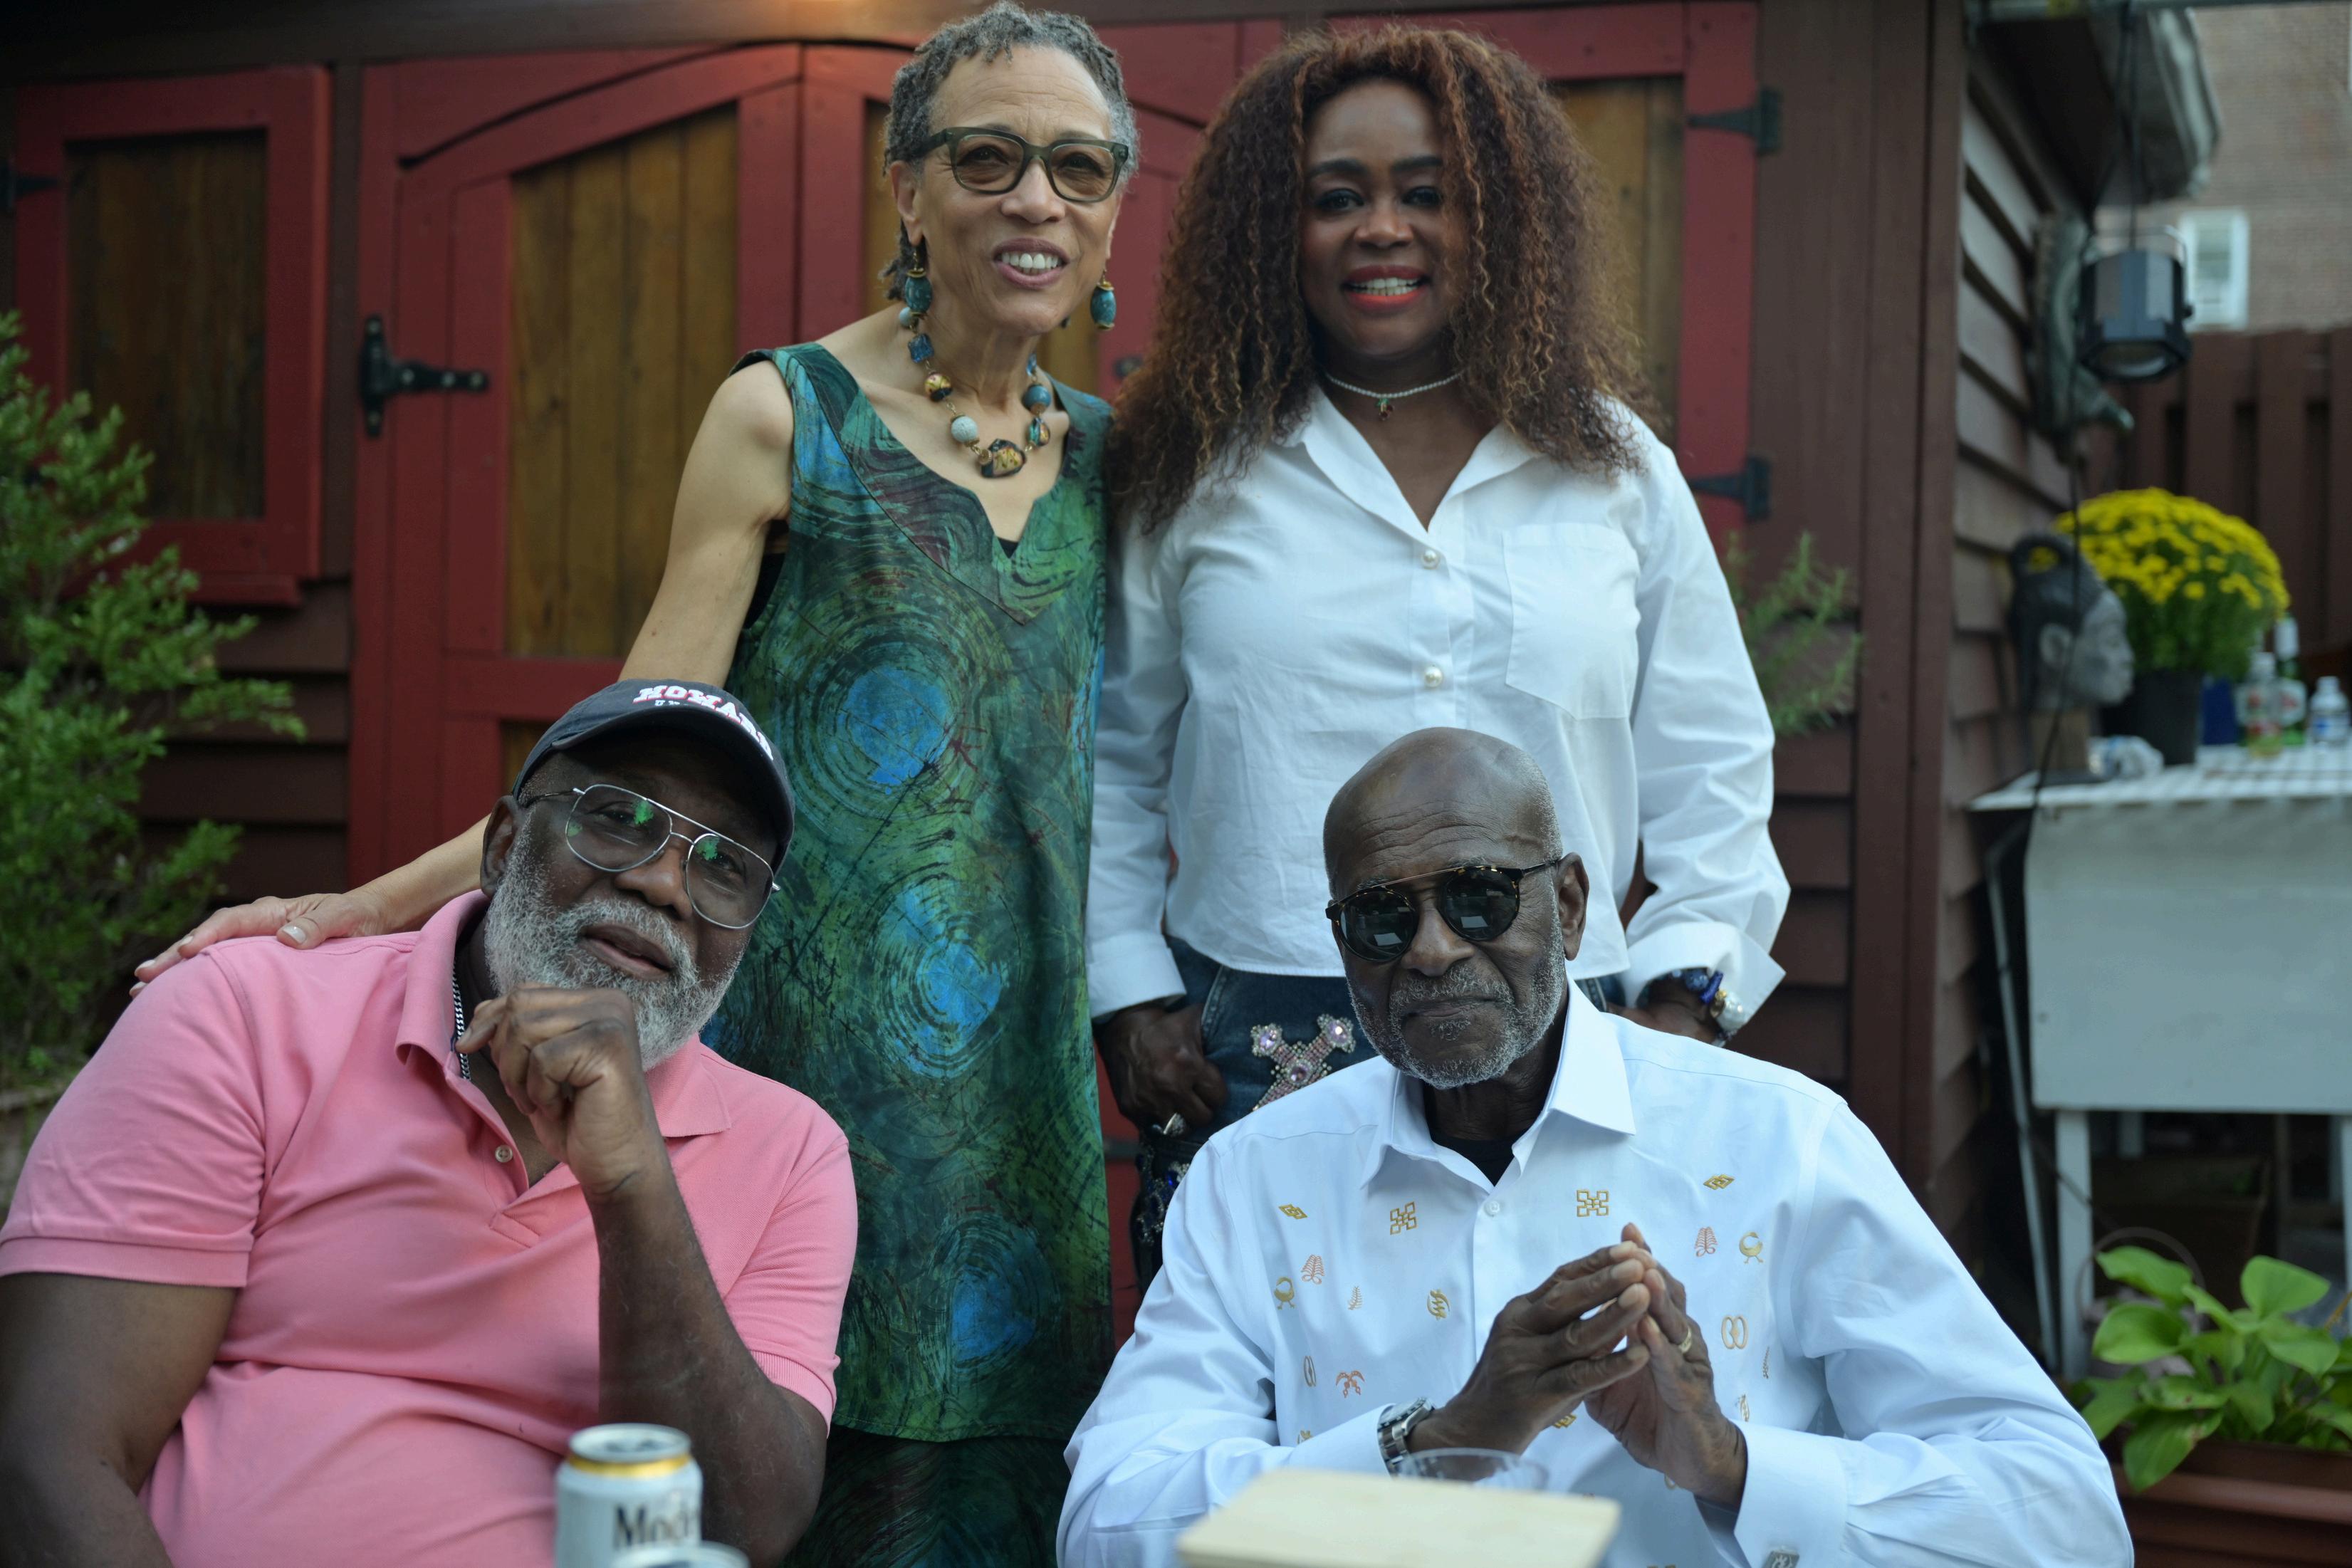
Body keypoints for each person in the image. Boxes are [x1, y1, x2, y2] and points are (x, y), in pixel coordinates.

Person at [125, 7, 1134, 1560]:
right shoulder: (787, 418)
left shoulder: (1116, 460)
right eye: (987, 158)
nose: (1035, 202)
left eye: (1078, 168)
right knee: (760, 1463)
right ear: (908, 188)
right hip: (800, 1067)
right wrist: (347, 911)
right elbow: (614, 746)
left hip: (1021, 1102)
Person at [1061, 728, 2129, 1568]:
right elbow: (1106, 1521)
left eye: (1480, 896)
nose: (1431, 949)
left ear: (1569, 907)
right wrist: (1430, 1444)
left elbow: (2063, 1516)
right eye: (1382, 919)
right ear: (1342, 947)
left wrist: (1731, 1464)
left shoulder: (1778, 1142)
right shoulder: (1256, 1178)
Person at [1087, 27, 1788, 1284]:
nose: (1381, 229)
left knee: (1572, 1371)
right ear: (1271, 230)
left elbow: (1713, 760)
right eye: (1334, 199)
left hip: (1565, 1024)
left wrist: (1688, 1000)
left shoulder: (1612, 470)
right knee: (1275, 1378)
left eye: (1426, 193)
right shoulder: (1194, 470)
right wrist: (1129, 995)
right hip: (1265, 1034)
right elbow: (1111, 758)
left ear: (1498, 221)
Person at [0, 680, 850, 1568]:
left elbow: (741, 1527)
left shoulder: (792, 1154)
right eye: (617, 816)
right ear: (503, 845)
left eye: (724, 866)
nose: (664, 883)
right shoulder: (242, 1014)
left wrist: (632, 1184)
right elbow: (51, 1460)